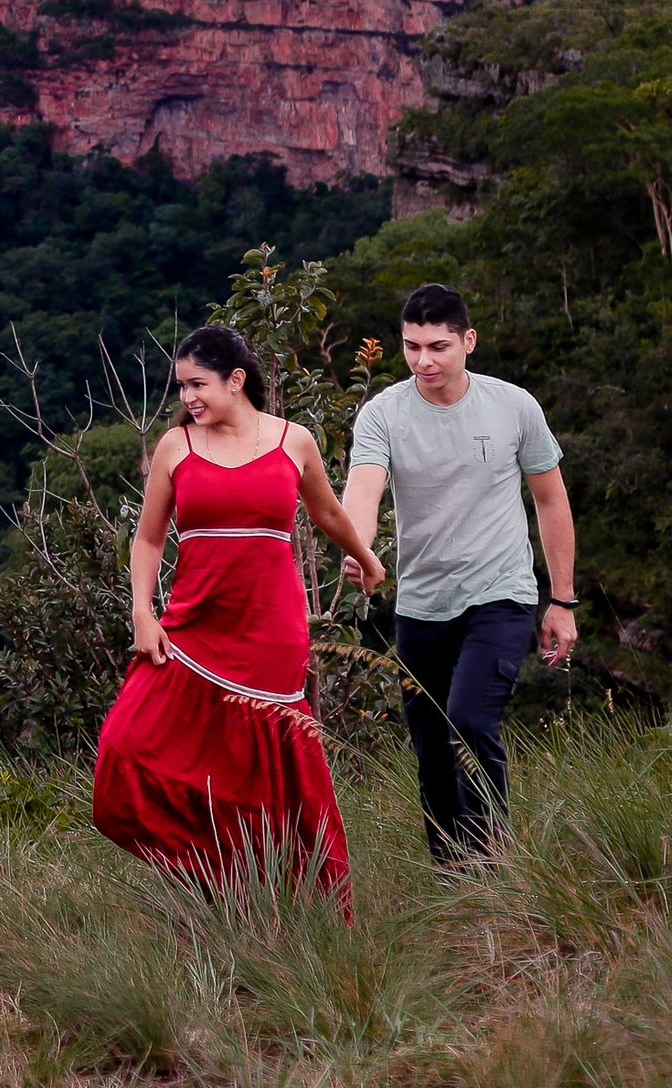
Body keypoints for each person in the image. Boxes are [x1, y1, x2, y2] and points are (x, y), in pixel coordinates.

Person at [92, 324, 387, 902]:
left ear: (236, 380)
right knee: (125, 747)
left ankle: (286, 898)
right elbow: (148, 539)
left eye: (198, 385)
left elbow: (327, 513)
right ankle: (215, 874)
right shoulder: (176, 447)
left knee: (261, 772)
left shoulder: (293, 440)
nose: (188, 399)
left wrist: (365, 558)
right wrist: (142, 613)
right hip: (192, 624)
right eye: (181, 387)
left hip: (271, 630)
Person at [340, 283, 577, 867]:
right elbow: (364, 488)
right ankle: (455, 878)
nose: (425, 361)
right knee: (431, 749)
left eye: (439, 346)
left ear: (468, 341)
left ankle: (495, 865)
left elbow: (550, 500)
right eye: (412, 346)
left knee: (470, 720)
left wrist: (563, 599)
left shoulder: (514, 407)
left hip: (501, 591)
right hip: (421, 603)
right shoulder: (383, 413)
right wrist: (360, 548)